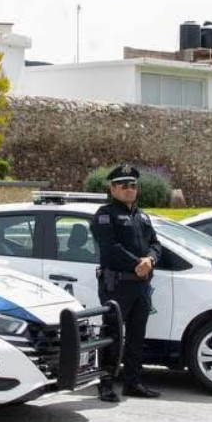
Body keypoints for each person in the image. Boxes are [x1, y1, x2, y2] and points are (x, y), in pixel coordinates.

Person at [91, 164, 162, 400]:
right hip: (117, 284)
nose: (130, 189)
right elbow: (111, 249)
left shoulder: (141, 215)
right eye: (124, 185)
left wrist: (150, 260)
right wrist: (137, 264)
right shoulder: (105, 214)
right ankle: (106, 383)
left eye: (133, 185)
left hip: (140, 285)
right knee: (112, 335)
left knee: (136, 336)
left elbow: (156, 244)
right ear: (113, 188)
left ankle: (132, 382)